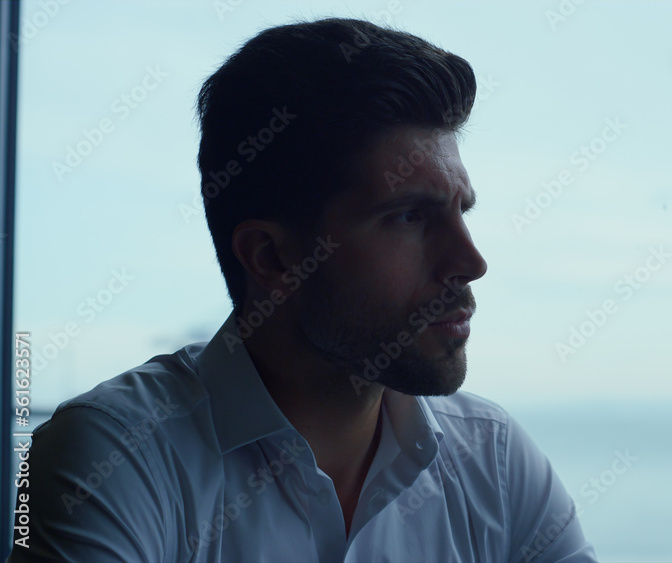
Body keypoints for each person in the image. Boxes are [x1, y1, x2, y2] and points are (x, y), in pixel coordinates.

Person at [8, 17, 596, 563]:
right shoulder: (113, 460)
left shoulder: (494, 461)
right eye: (409, 217)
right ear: (270, 256)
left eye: (461, 211)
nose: (470, 261)